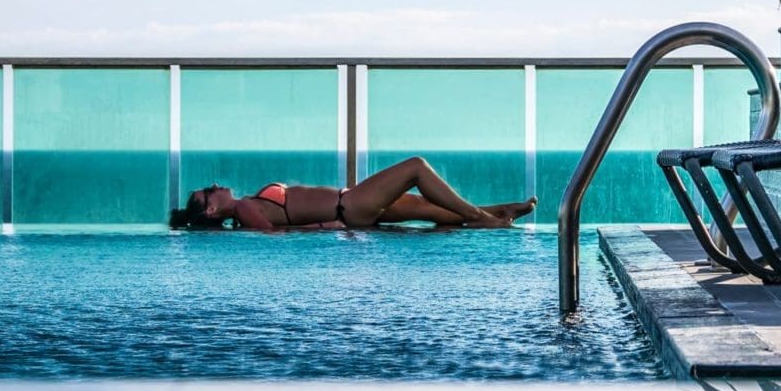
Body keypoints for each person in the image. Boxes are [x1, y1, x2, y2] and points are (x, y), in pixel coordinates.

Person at [168, 156, 537, 231]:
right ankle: (485, 218)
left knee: (429, 209)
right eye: (208, 192)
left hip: (350, 205)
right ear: (212, 211)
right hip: (349, 206)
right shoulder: (245, 207)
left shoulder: (247, 203)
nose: (215, 186)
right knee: (416, 168)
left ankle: (501, 211)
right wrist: (324, 226)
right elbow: (276, 235)